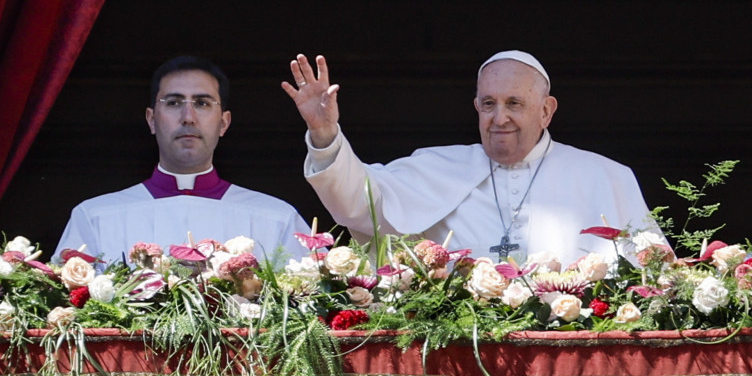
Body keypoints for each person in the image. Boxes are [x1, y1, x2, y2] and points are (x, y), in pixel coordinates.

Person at [282, 50, 663, 266]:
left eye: (515, 103)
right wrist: (324, 132)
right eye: (488, 104)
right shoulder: (435, 168)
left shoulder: (605, 176)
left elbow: (657, 275)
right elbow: (357, 204)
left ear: (546, 110)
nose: (500, 118)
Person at [57, 56, 311, 263]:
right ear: (151, 119)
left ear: (224, 122)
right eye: (174, 102)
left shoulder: (276, 218)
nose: (188, 117)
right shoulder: (95, 217)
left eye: (202, 103)